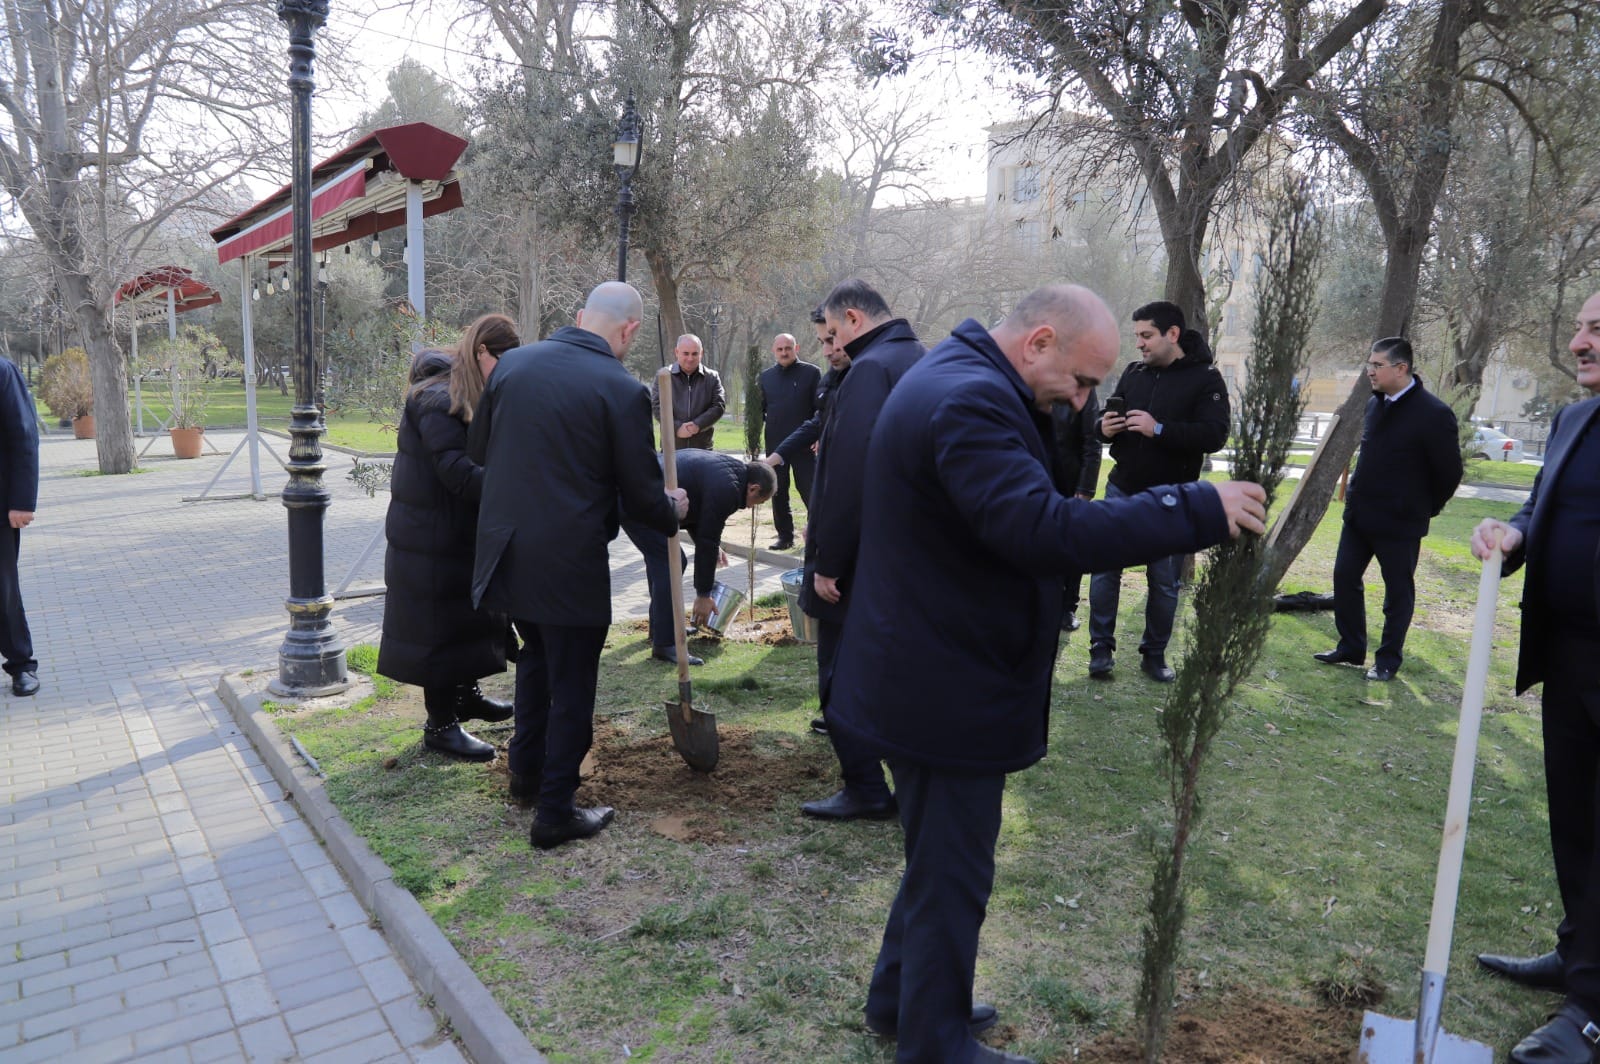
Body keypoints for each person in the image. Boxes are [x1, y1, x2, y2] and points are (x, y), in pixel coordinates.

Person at [827, 285, 1267, 1063]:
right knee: (955, 871)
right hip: (942, 682)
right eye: (1085, 379)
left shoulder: (961, 379)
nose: (1088, 397)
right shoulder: (968, 400)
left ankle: (905, 1000)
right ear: (1037, 342)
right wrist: (1194, 508)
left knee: (938, 859)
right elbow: (1040, 527)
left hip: (928, 667)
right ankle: (933, 1043)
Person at [470, 282, 688, 850]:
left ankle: (525, 776)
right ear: (631, 329)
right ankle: (555, 811)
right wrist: (673, 511)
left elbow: (478, 451)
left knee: (536, 661)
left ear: (578, 316)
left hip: (508, 556)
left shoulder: (513, 366)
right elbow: (643, 496)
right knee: (571, 686)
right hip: (567, 565)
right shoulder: (620, 389)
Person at [1469, 290, 1600, 1064]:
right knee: (1576, 822)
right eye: (1581, 327)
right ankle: (1579, 956)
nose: (1581, 342)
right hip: (1570, 654)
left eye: (1597, 330)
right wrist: (1512, 532)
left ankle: (1592, 1012)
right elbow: (1543, 503)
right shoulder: (1572, 418)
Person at [799, 279, 925, 822]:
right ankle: (912, 784)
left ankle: (866, 788)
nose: (833, 346)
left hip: (860, 562)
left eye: (832, 332)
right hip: (903, 556)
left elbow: (850, 475)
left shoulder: (871, 371)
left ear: (853, 318)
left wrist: (829, 562)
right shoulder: (916, 357)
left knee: (841, 677)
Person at [378, 316, 521, 760]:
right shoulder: (438, 399)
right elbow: (457, 473)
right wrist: (516, 487)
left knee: (464, 617)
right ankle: (440, 725)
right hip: (430, 538)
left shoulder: (460, 390)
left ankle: (467, 695)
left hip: (448, 532)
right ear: (482, 354)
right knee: (437, 628)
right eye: (503, 361)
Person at [1088, 300, 1230, 683]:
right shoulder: (1135, 373)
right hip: (1122, 488)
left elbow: (1216, 435)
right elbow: (1101, 420)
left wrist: (1160, 429)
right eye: (1137, 336)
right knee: (1104, 572)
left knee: (1164, 582)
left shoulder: (1206, 380)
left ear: (1172, 334)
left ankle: (1154, 654)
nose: (1140, 344)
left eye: (1146, 335)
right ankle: (1100, 649)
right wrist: (1105, 428)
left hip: (1172, 498)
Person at [1314, 336, 1461, 681]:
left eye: (1377, 365)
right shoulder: (1374, 404)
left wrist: (1425, 508)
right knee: (1344, 577)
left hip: (1401, 521)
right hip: (1361, 515)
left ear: (1401, 368)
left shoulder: (1434, 414)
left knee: (1397, 592)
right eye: (1370, 364)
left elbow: (1450, 473)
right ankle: (1351, 646)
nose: (1370, 371)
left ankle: (1387, 660)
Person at [622, 451, 777, 665]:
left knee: (663, 560)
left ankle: (661, 627)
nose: (751, 507)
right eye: (758, 502)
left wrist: (712, 548)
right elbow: (707, 539)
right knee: (671, 562)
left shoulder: (731, 472)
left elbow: (700, 521)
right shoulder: (729, 489)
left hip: (639, 491)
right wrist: (703, 595)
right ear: (754, 488)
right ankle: (665, 644)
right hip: (639, 499)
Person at [757, 333, 821, 550]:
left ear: (797, 348)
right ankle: (785, 537)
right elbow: (760, 411)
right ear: (773, 351)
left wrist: (819, 436)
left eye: (788, 348)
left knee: (811, 491)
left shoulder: (812, 373)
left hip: (805, 445)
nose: (784, 352)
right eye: (780, 349)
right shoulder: (765, 377)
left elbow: (820, 410)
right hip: (775, 445)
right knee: (778, 492)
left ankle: (816, 535)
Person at [0, 357, 38, 697]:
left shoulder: (2, 371)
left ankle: (21, 665)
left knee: (3, 590)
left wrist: (22, 500)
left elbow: (23, 433)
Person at [1051, 390, 1102, 632]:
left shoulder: (1080, 387)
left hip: (1069, 483)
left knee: (1070, 546)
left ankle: (1067, 606)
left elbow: (1092, 442)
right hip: (1034, 478)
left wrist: (1084, 489)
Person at [651, 333, 725, 449]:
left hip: (703, 449)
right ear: (677, 352)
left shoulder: (712, 377)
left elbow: (718, 406)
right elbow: (657, 406)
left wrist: (698, 425)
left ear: (701, 353)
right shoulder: (664, 376)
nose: (690, 358)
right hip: (672, 449)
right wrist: (676, 428)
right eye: (686, 353)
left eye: (695, 354)